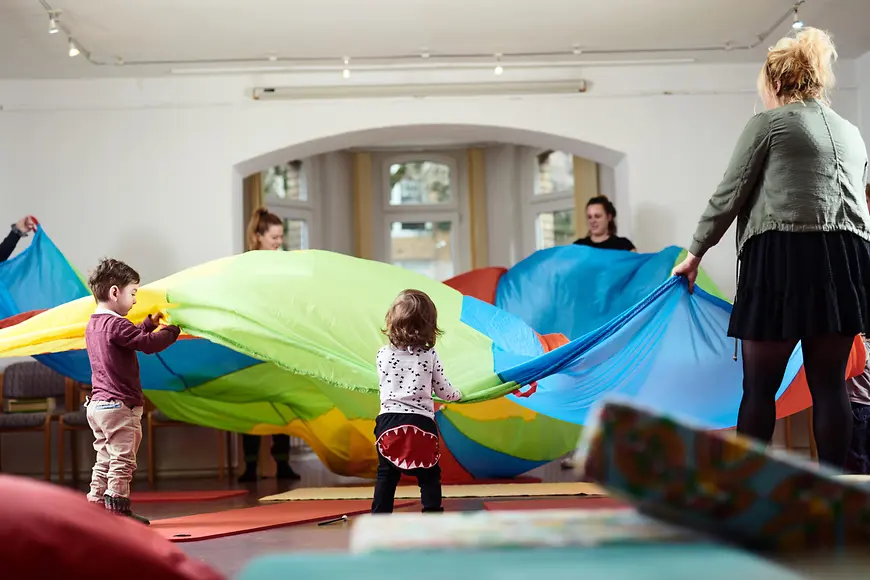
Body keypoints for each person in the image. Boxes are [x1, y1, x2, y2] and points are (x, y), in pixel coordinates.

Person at [673, 28, 870, 470]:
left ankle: (749, 492)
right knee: (830, 386)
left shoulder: (771, 123)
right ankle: (834, 497)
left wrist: (694, 254)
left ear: (776, 82)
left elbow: (729, 193)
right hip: (847, 260)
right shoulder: (851, 132)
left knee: (759, 387)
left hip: (783, 255)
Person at [84, 258, 181, 524]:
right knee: (123, 460)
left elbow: (131, 339)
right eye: (133, 293)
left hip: (98, 407)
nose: (135, 300)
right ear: (115, 292)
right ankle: (117, 510)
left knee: (104, 458)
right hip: (119, 407)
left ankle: (94, 507)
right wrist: (173, 330)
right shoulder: (116, 325)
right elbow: (147, 345)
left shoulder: (94, 324)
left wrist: (149, 324)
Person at [371, 289, 463, 514]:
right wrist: (457, 395)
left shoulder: (382, 354)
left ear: (391, 322)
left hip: (388, 422)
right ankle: (431, 512)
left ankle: (380, 515)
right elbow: (443, 390)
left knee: (386, 472)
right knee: (429, 473)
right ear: (429, 326)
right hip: (421, 423)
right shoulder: (429, 356)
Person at [238, 207, 300, 482]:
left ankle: (283, 463)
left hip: (279, 341)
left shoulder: (284, 264)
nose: (279, 242)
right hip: (253, 341)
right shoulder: (246, 265)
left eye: (281, 237)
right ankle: (250, 466)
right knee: (252, 404)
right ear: (258, 236)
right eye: (274, 237)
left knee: (282, 401)